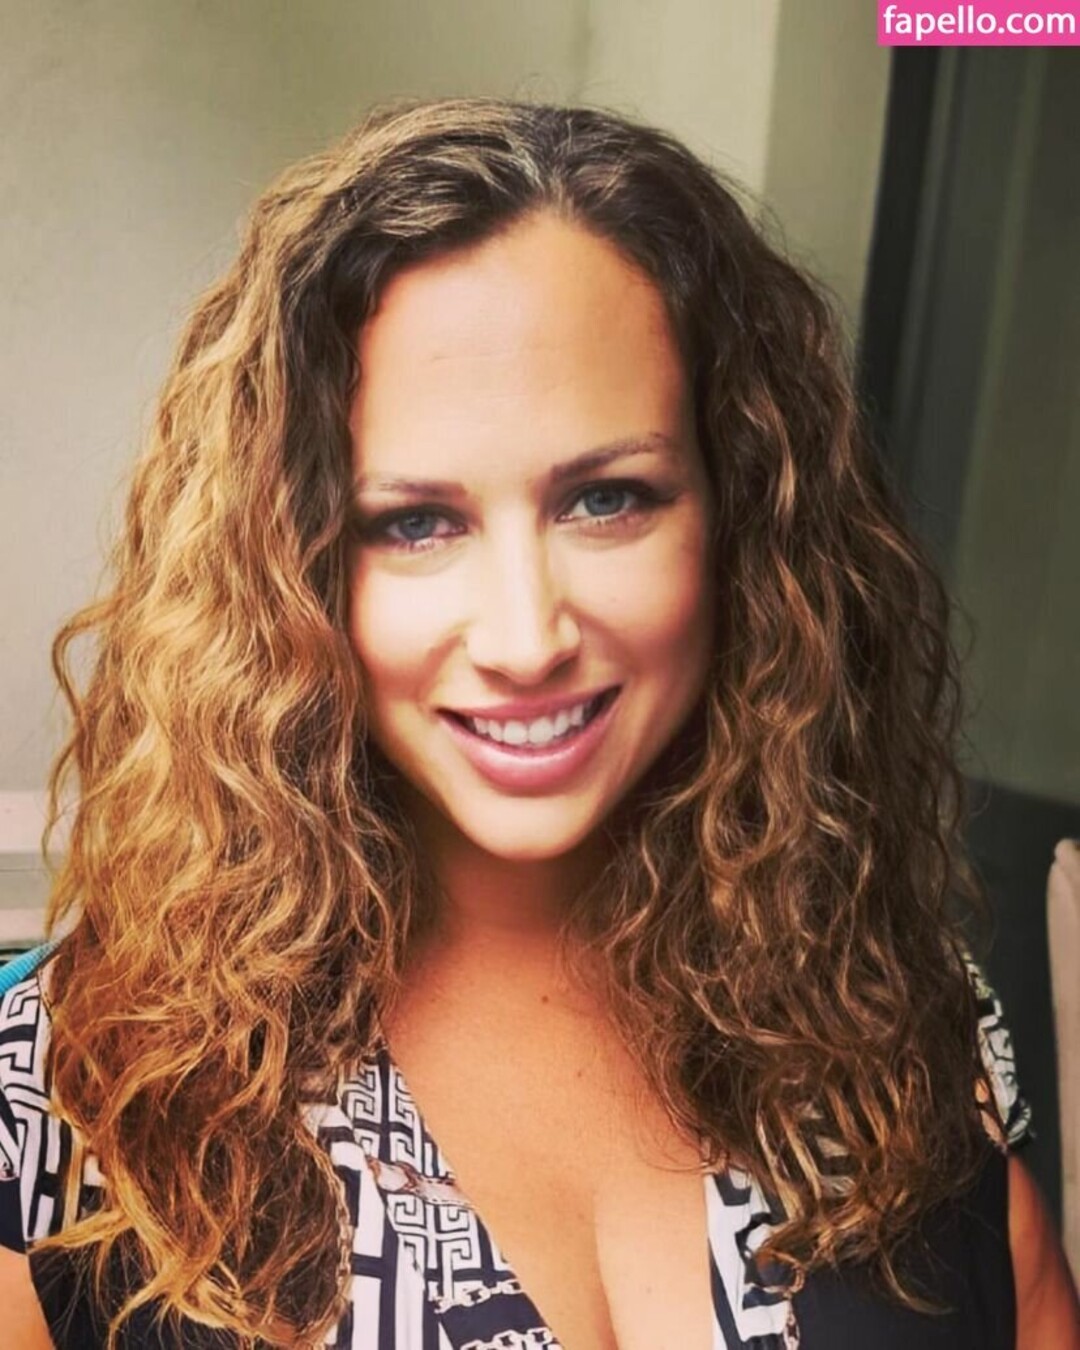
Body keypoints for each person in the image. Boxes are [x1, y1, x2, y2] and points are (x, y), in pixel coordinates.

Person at [0, 96, 1076, 1350]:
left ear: (738, 519)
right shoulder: (71, 1096)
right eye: (414, 523)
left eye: (607, 499)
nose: (525, 638)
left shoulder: (904, 1022)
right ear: (289, 566)